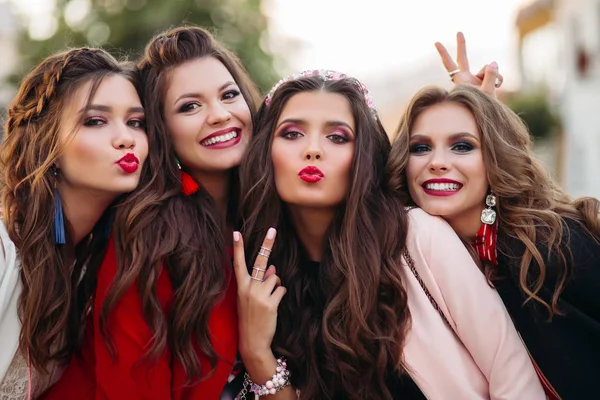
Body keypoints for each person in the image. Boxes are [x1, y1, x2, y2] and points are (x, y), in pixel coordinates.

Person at [234, 69, 544, 399]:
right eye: (292, 134)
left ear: (363, 155)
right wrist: (257, 354)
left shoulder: (416, 237)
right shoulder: (263, 277)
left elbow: (513, 378)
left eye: (337, 137)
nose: (312, 150)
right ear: (265, 149)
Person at [43, 26, 259, 399]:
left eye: (229, 95)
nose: (220, 115)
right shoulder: (150, 230)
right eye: (190, 106)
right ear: (161, 129)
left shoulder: (263, 215)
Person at [387, 83, 600, 399]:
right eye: (421, 148)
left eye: (462, 146)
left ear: (496, 157)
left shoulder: (553, 244)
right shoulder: (412, 258)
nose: (437, 162)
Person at [0, 47, 148, 399]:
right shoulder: (5, 253)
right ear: (47, 143)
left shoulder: (96, 267)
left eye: (136, 122)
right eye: (95, 121)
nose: (126, 138)